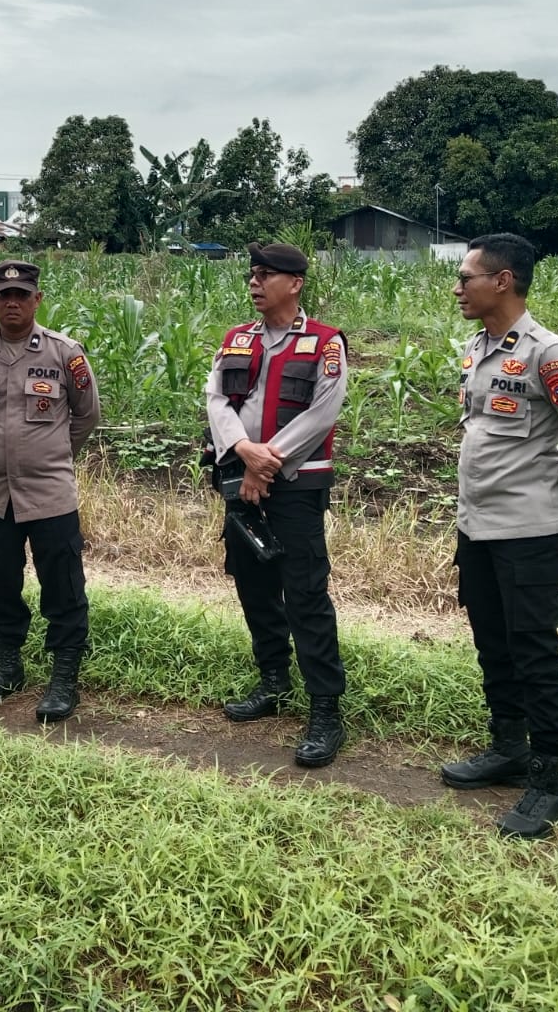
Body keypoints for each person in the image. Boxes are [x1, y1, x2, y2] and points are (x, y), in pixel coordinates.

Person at [440, 232, 558, 839]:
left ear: (502, 281)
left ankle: (547, 784)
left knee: (535, 655)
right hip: (478, 527)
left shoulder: (552, 355)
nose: (458, 287)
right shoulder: (478, 348)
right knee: (492, 643)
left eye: (467, 277)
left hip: (530, 531)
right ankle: (508, 748)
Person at [205, 243, 350, 768]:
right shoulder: (236, 339)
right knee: (253, 584)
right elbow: (217, 399)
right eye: (252, 274)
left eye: (267, 274)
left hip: (296, 485)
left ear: (296, 282)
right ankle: (273, 681)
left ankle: (325, 711)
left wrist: (268, 462)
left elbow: (324, 411)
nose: (254, 281)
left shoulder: (325, 343)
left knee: (305, 594)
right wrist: (244, 453)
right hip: (239, 478)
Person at [0, 260, 101, 723]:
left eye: (22, 294)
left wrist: (53, 452)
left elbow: (86, 415)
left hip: (50, 495)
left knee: (62, 588)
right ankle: (7, 666)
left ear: (37, 299)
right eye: (4, 294)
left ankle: (64, 677)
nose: (13, 302)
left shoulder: (65, 354)